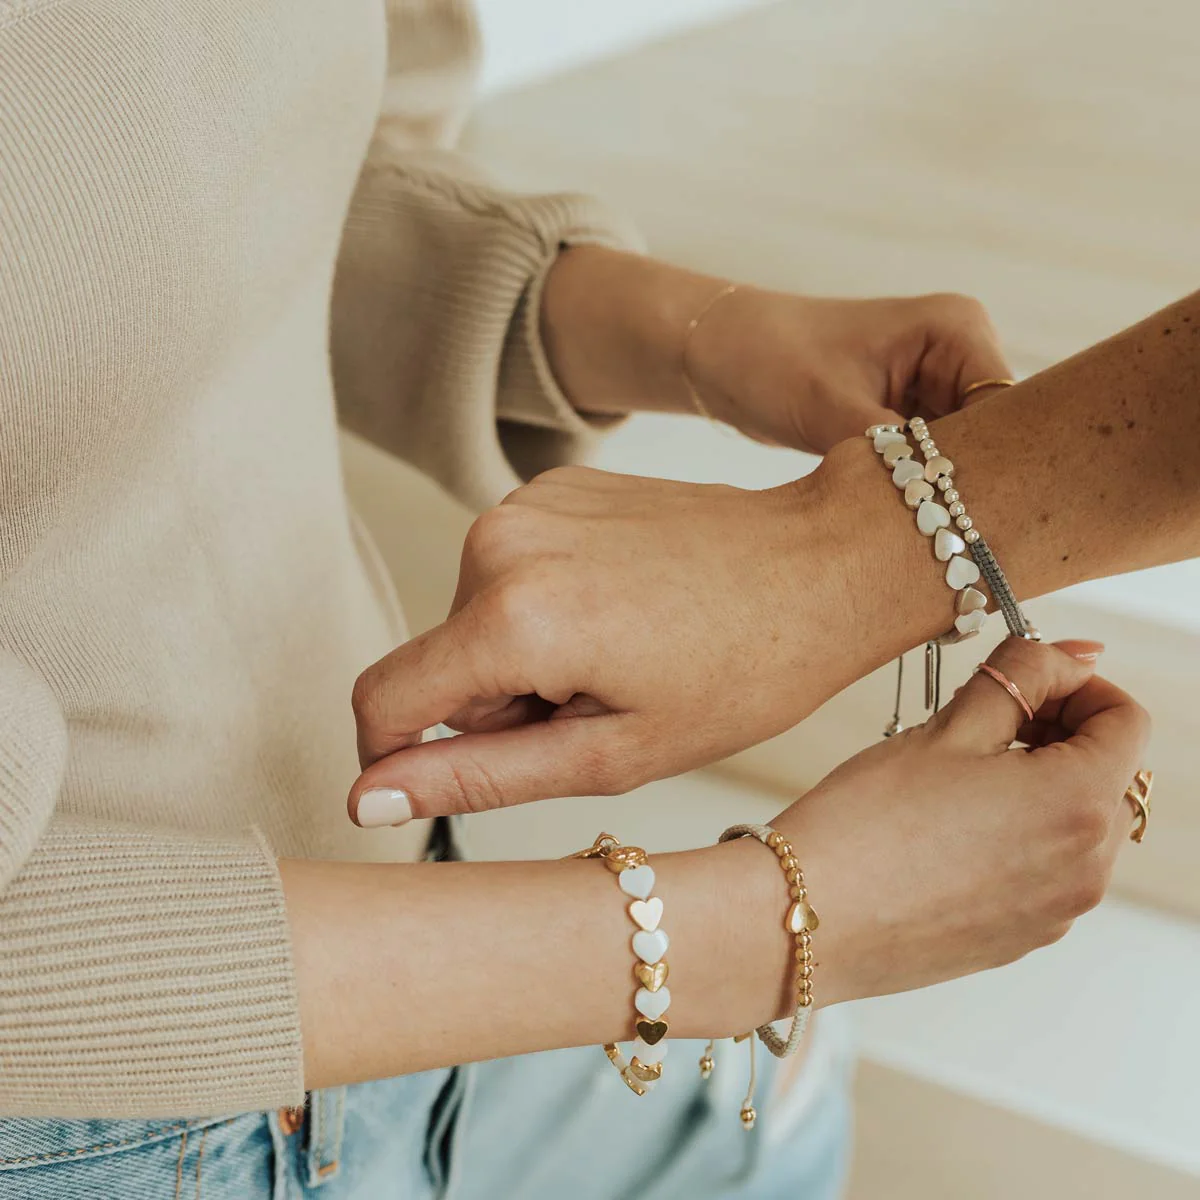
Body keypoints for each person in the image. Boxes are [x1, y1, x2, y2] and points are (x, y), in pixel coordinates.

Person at [0, 3, 1175, 1200]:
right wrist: (766, 926)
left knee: (782, 1118)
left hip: (393, 908)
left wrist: (687, 335)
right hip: (84, 1095)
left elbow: (157, 169)